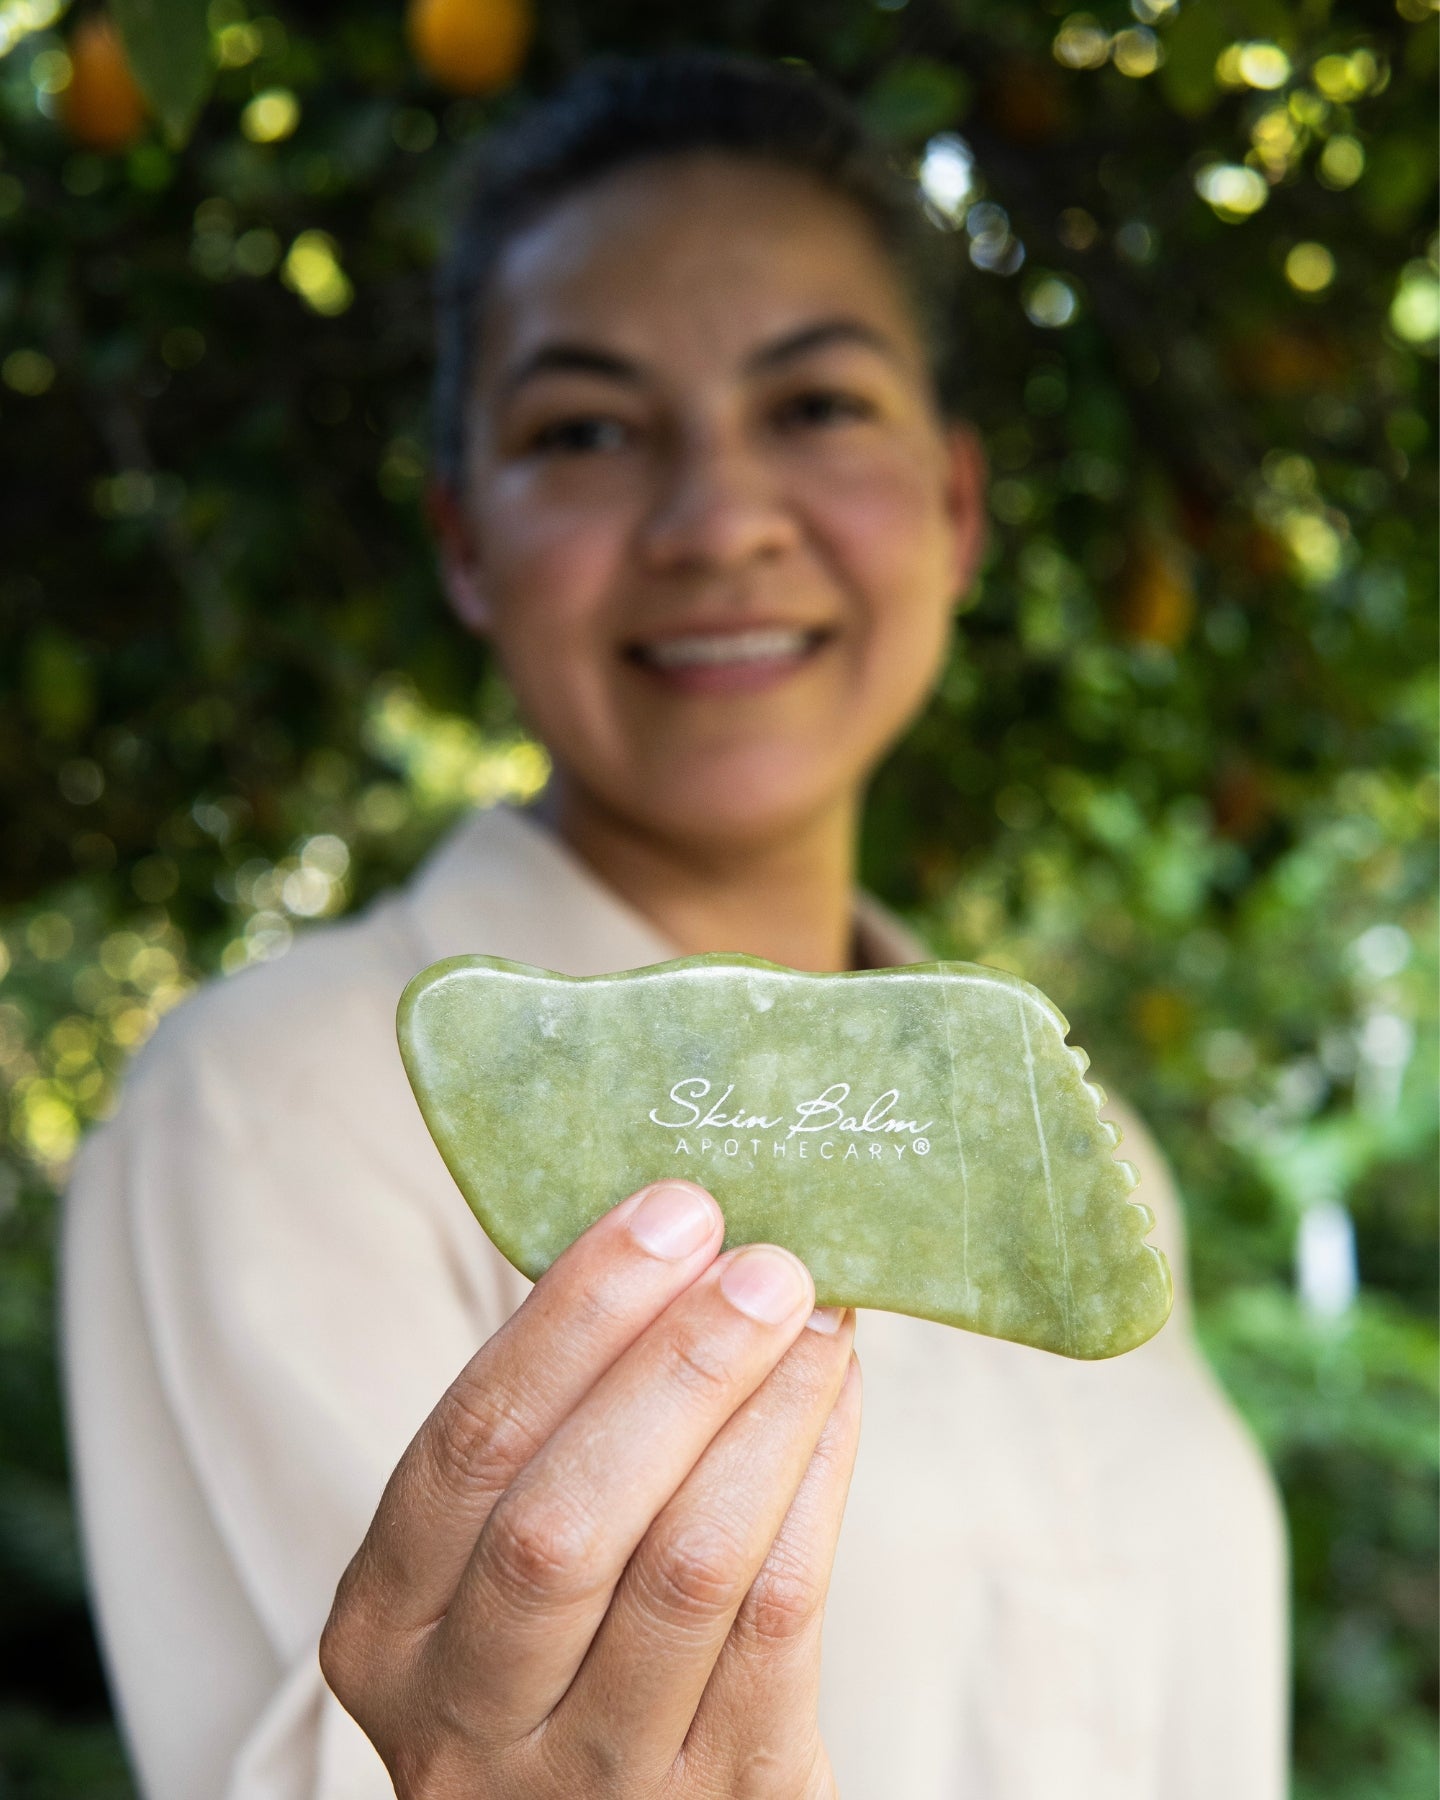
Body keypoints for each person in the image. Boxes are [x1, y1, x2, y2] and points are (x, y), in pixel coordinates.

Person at [59, 52, 1287, 1800]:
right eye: (586, 430)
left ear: (952, 505)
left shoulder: (1089, 1158)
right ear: (467, 542)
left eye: (815, 407)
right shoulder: (272, 1107)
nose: (719, 523)